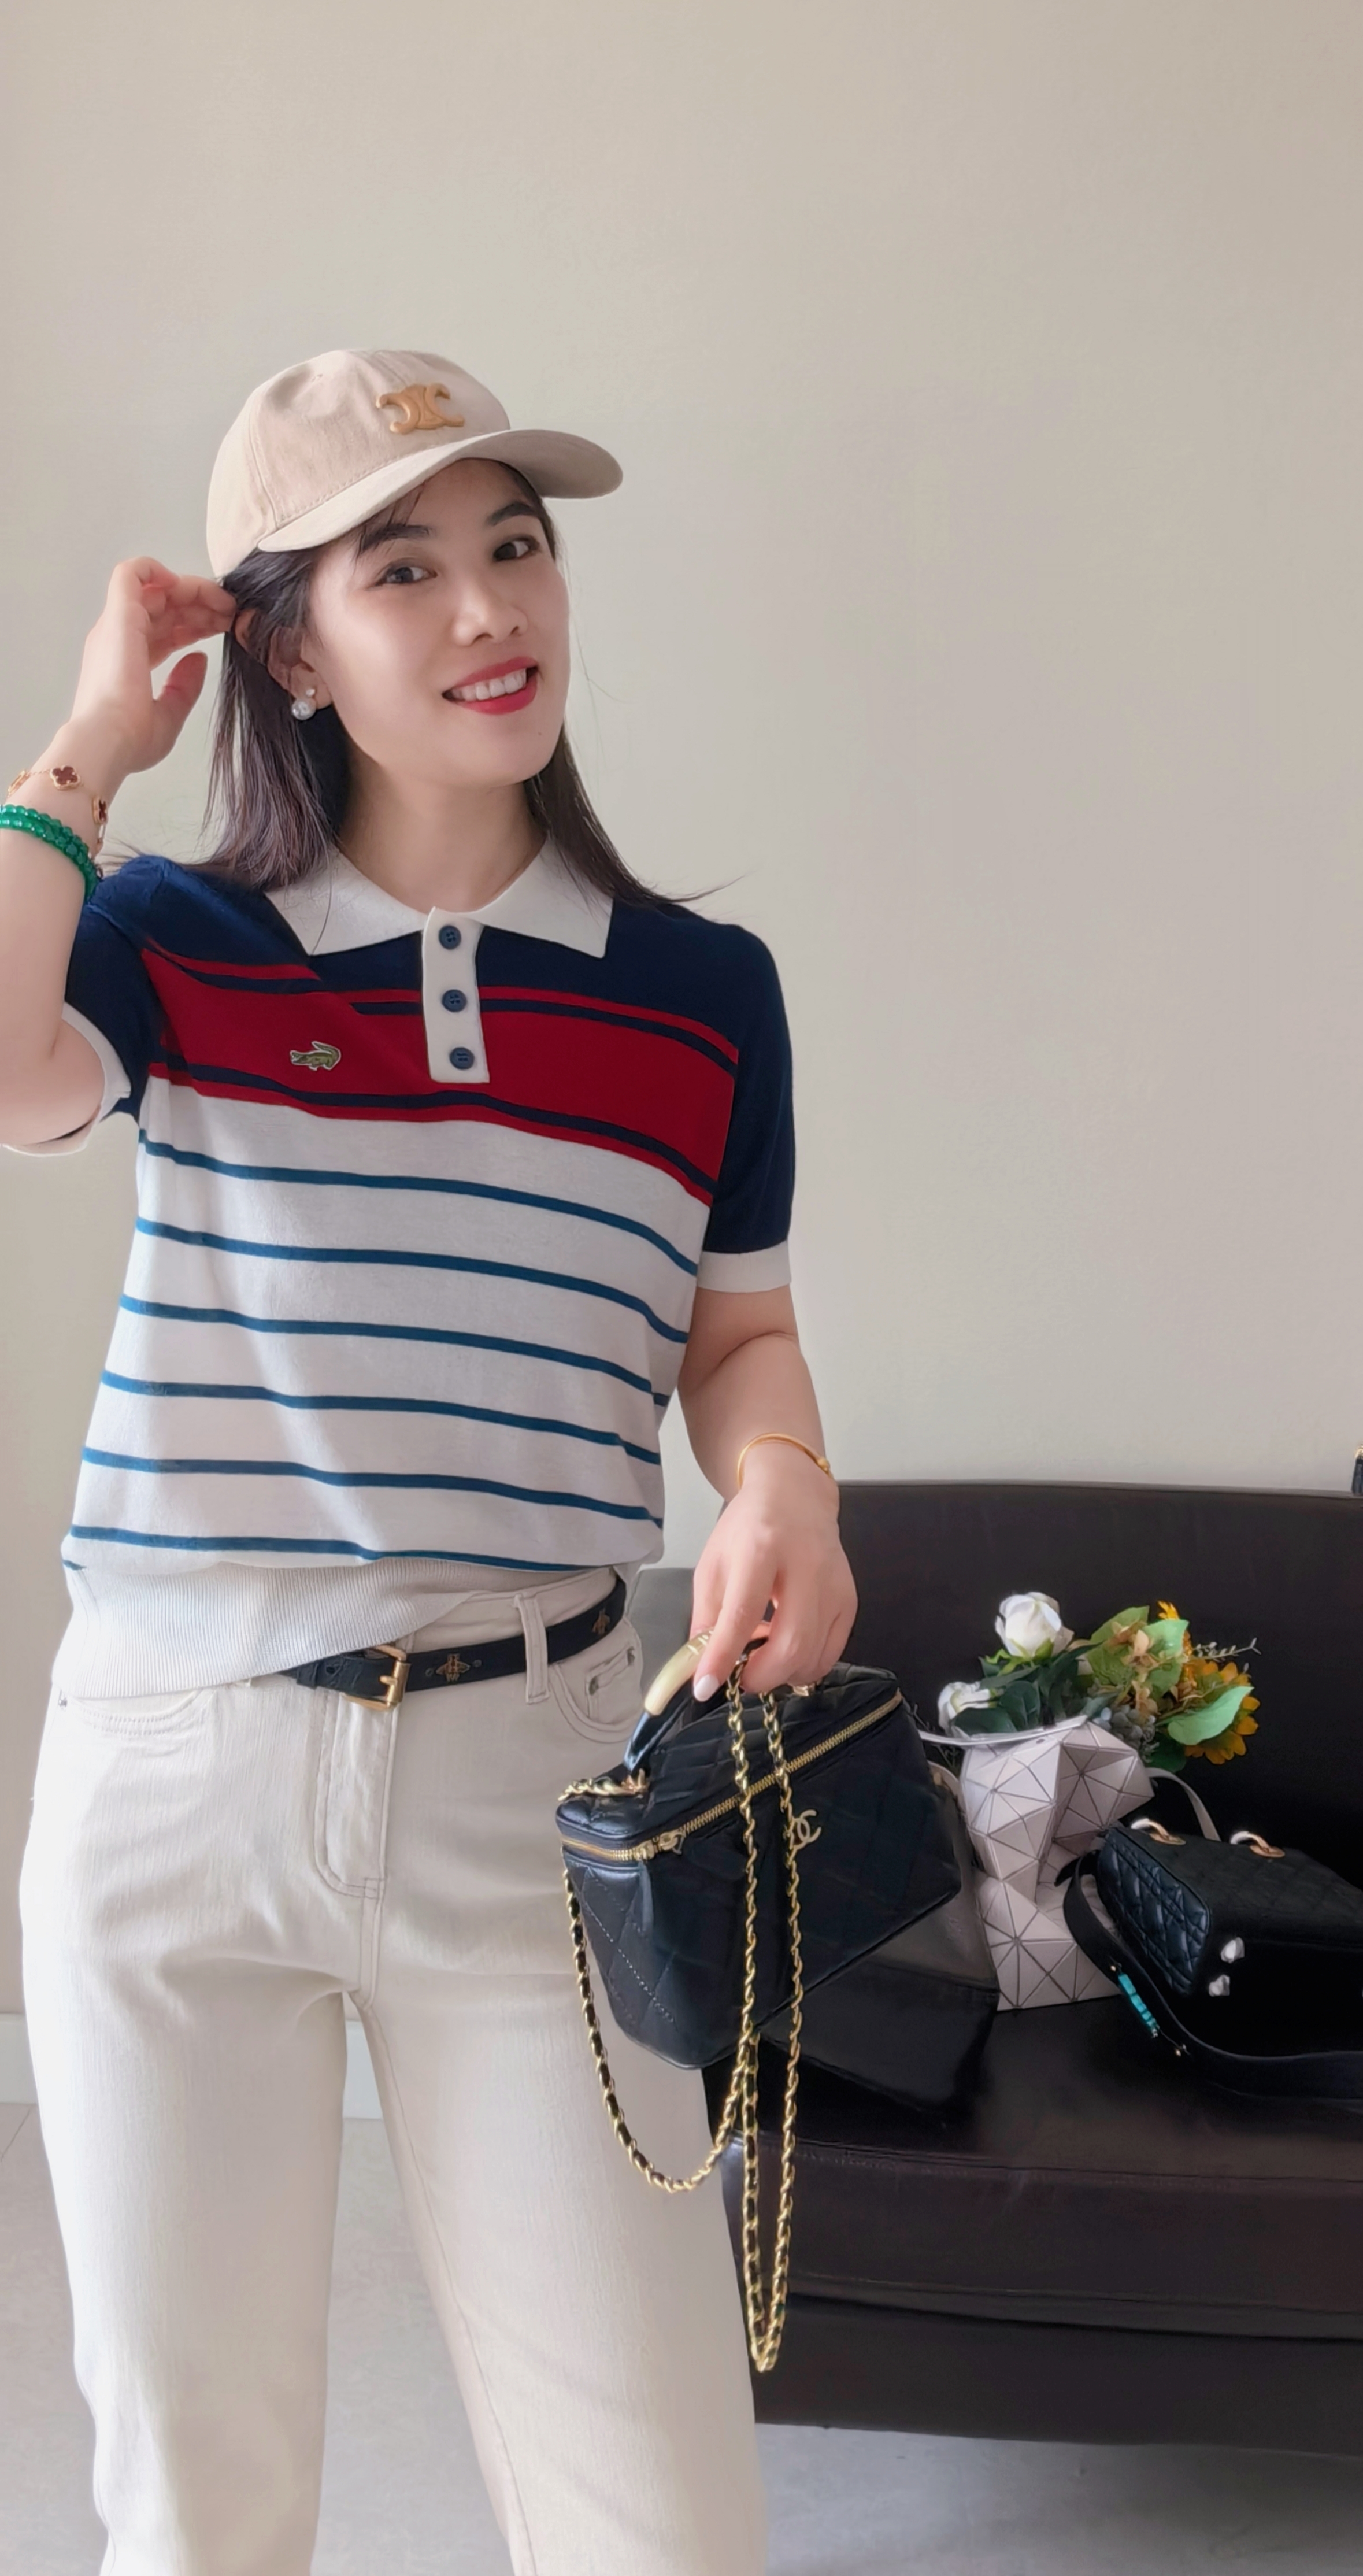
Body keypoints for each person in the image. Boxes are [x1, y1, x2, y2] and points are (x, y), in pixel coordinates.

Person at [1, 346, 857, 2576]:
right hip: (178, 1768)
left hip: (542, 1772)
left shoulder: (705, 992)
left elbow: (737, 1332)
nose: (492, 611)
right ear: (290, 651)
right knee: (196, 2497)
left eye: (515, 546)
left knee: (656, 2514)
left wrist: (784, 1480)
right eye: (403, 569)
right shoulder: (174, 943)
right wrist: (89, 743)